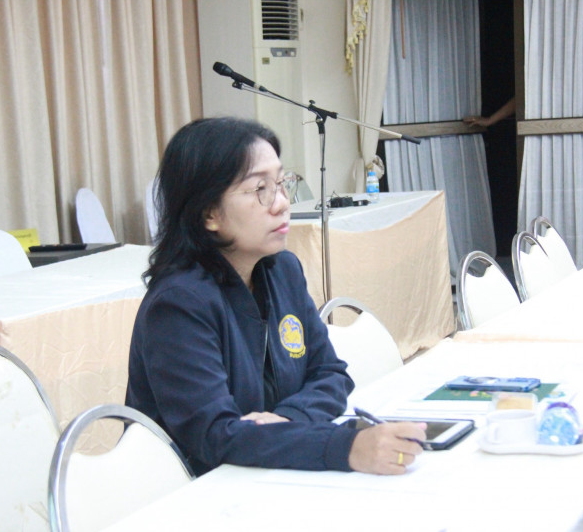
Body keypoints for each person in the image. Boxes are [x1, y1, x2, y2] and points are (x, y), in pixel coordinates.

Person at [125, 117, 426, 476]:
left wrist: (287, 420)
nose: (282, 203)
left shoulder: (282, 270)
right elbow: (216, 436)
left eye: (281, 184)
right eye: (260, 189)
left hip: (267, 471)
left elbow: (331, 374)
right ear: (209, 213)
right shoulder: (179, 304)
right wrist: (345, 448)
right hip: (199, 489)